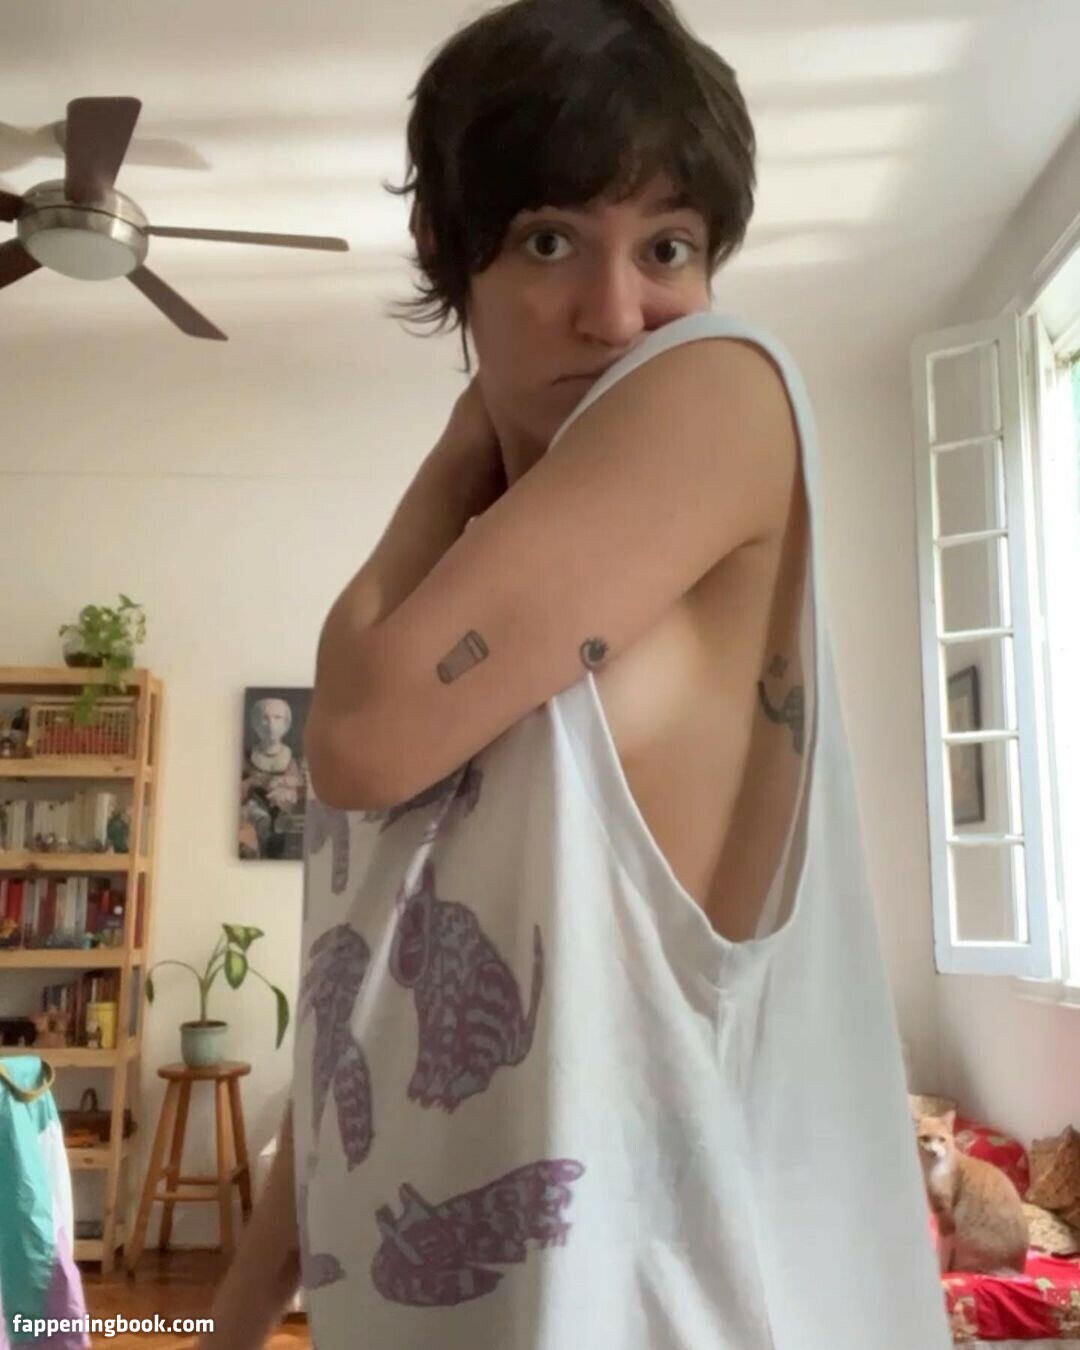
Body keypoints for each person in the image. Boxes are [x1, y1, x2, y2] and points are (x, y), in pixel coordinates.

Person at [199, 0, 952, 1346]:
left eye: (668, 247)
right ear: (458, 268)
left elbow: (356, 738)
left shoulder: (724, 386)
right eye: (550, 241)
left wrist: (460, 436)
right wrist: (237, 1314)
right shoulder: (481, 598)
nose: (618, 315)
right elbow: (358, 998)